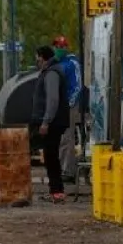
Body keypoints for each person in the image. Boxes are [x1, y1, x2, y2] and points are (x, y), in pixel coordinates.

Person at [32, 45, 71, 203]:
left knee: (51, 156)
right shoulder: (50, 71)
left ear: (42, 57)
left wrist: (46, 121)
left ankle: (56, 191)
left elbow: (52, 100)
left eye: (37, 57)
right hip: (53, 120)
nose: (36, 60)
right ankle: (55, 190)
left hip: (53, 122)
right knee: (50, 155)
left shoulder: (52, 73)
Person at [52, 35, 82, 183]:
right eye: (57, 46)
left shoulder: (72, 63)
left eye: (62, 46)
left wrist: (70, 104)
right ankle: (60, 167)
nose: (60, 49)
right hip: (56, 106)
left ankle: (68, 170)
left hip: (69, 105)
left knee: (66, 138)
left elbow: (77, 85)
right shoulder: (55, 63)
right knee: (58, 138)